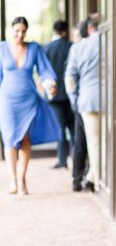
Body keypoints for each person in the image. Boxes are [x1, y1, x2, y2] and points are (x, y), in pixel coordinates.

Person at [0, 16, 59, 194]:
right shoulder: (2, 48)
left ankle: (22, 178)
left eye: (23, 31)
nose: (20, 34)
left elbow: (44, 70)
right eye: (17, 31)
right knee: (10, 138)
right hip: (7, 100)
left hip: (28, 100)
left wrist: (50, 83)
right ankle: (12, 180)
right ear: (12, 30)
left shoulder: (33, 48)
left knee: (25, 138)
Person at [66, 16, 100, 192]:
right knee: (105, 142)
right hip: (110, 100)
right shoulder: (110, 42)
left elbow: (70, 78)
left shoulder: (78, 48)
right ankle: (92, 177)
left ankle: (91, 178)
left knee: (92, 142)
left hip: (86, 100)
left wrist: (74, 100)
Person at [44, 20, 74, 169]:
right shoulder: (71, 47)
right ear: (65, 32)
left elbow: (43, 73)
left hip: (54, 97)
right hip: (70, 95)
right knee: (74, 128)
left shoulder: (47, 49)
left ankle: (62, 160)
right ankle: (76, 159)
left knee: (60, 128)